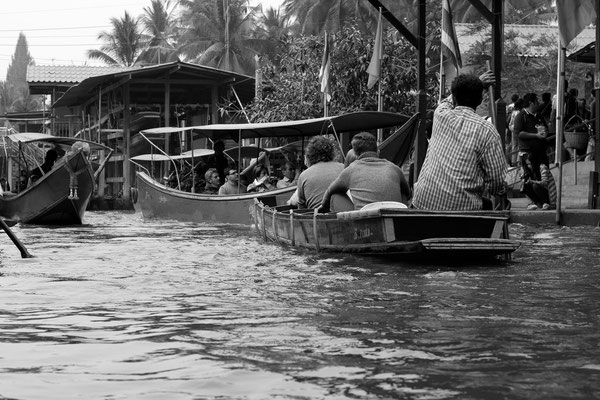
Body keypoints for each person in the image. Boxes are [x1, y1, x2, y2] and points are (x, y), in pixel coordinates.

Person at [412, 71, 507, 211]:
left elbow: (447, 101)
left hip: (423, 202)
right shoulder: (488, 131)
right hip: (463, 209)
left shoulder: (441, 114)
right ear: (480, 100)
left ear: (454, 96)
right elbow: (496, 182)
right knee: (488, 205)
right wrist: (499, 189)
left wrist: (479, 82)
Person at [319, 132, 411, 212]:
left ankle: (348, 228)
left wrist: (323, 207)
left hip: (365, 221)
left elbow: (330, 191)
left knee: (335, 195)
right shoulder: (394, 168)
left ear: (355, 154)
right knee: (402, 193)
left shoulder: (351, 169)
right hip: (394, 218)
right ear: (378, 152)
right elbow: (408, 193)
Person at [514, 92, 549, 196]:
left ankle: (544, 200)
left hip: (541, 152)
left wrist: (544, 132)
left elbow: (545, 128)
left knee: (543, 176)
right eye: (537, 101)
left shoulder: (539, 116)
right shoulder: (521, 116)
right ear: (531, 103)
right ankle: (533, 201)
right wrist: (535, 135)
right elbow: (518, 133)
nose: (538, 103)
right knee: (529, 177)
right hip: (527, 152)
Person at [295, 135, 344, 209]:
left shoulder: (304, 175)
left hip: (317, 218)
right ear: (332, 153)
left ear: (309, 155)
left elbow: (302, 209)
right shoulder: (343, 168)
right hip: (344, 216)